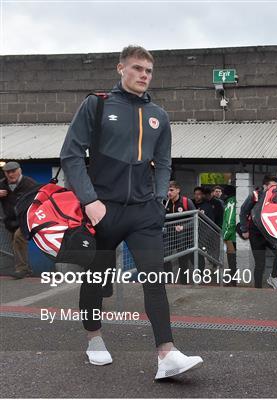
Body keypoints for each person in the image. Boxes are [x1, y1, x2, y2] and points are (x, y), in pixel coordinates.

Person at [60, 45, 202, 379]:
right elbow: (71, 154)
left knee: (155, 278)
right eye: (137, 68)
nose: (143, 75)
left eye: (148, 71)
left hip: (143, 213)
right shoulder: (97, 105)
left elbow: (165, 161)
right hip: (102, 211)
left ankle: (166, 354)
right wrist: (89, 200)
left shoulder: (159, 115)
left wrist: (157, 199)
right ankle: (94, 337)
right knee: (96, 279)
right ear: (120, 68)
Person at [239, 175, 277, 289]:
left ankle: (273, 278)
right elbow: (243, 211)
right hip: (256, 235)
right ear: (265, 186)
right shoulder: (255, 195)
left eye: (276, 186)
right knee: (260, 264)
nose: (274, 188)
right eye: (271, 186)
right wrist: (244, 229)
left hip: (270, 234)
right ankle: (258, 289)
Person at [0, 161, 37, 279]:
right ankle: (26, 269)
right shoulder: (2, 184)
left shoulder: (29, 183)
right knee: (17, 244)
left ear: (20, 170)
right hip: (11, 221)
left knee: (18, 237)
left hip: (27, 219)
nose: (10, 174)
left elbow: (40, 199)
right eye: (7, 172)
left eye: (13, 171)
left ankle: (22, 269)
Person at [164, 181, 196, 282]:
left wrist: (183, 227)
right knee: (165, 257)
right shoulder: (165, 203)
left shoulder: (186, 202)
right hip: (169, 235)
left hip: (183, 236)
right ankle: (168, 281)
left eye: (171, 190)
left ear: (178, 190)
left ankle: (183, 282)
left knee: (182, 260)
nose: (169, 192)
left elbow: (196, 219)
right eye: (167, 190)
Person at [221, 186, 237, 285]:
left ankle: (233, 281)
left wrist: (225, 235)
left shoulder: (231, 202)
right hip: (233, 235)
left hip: (231, 236)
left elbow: (230, 220)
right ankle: (233, 279)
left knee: (231, 260)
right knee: (233, 259)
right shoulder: (234, 200)